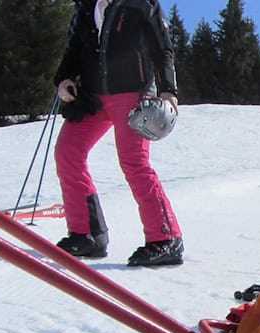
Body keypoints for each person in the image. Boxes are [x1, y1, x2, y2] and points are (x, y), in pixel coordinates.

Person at [53, 0, 184, 266]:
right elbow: (75, 49)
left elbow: (162, 48)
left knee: (134, 162)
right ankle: (87, 234)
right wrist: (64, 79)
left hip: (132, 94)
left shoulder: (142, 4)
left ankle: (166, 237)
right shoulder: (86, 7)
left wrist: (168, 90)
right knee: (67, 153)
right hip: (92, 96)